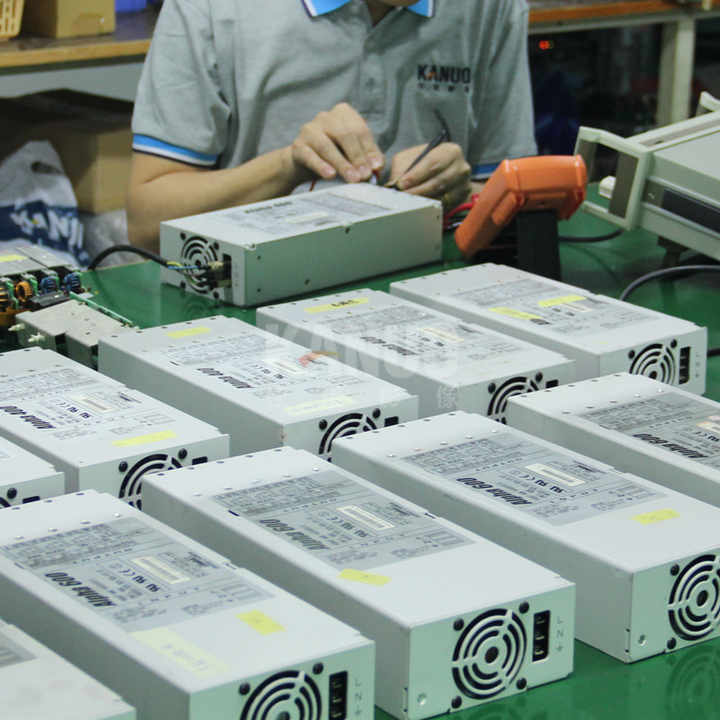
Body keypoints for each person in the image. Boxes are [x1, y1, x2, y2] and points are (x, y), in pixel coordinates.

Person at [127, 0, 537, 250]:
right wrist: (287, 166)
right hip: (256, 284)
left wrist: (457, 194)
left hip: (429, 278)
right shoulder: (213, 9)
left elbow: (522, 204)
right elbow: (147, 224)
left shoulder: (491, 7)